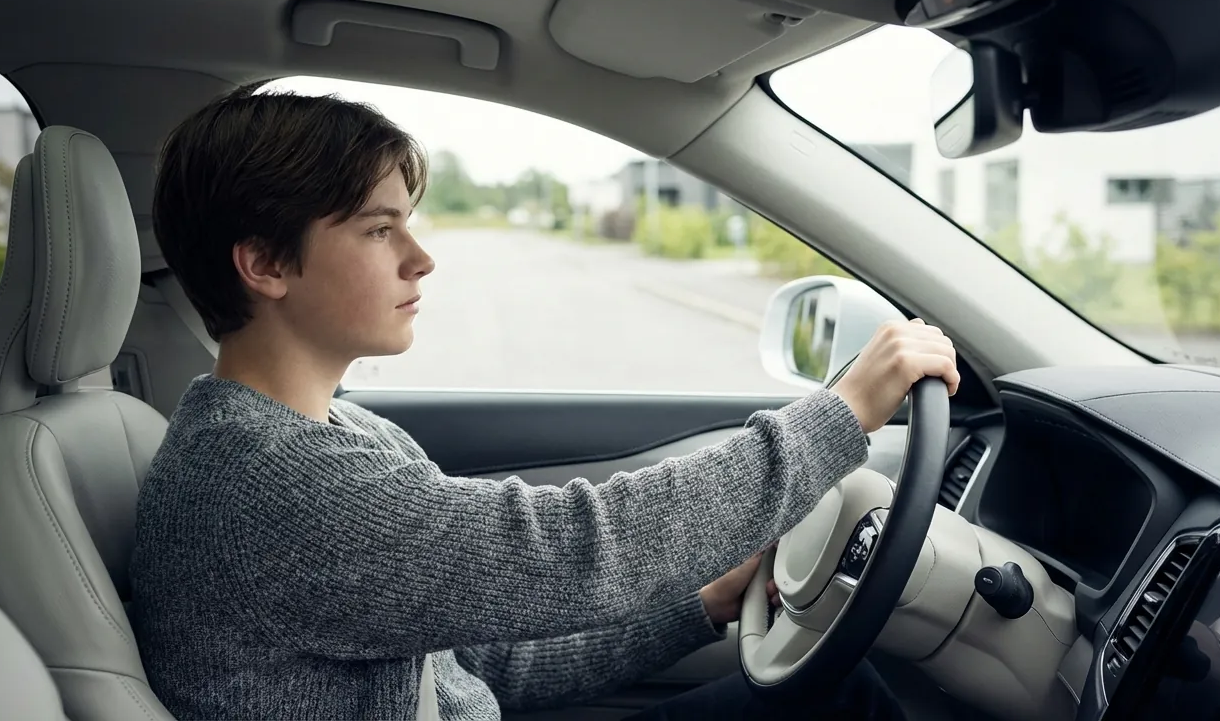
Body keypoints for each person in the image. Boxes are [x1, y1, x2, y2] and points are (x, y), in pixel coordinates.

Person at [128, 81, 961, 721]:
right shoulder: (266, 481)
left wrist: (698, 607)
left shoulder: (333, 432)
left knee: (838, 689)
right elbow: (575, 551)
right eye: (379, 230)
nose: (421, 258)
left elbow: (474, 667)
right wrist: (840, 413)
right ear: (265, 264)